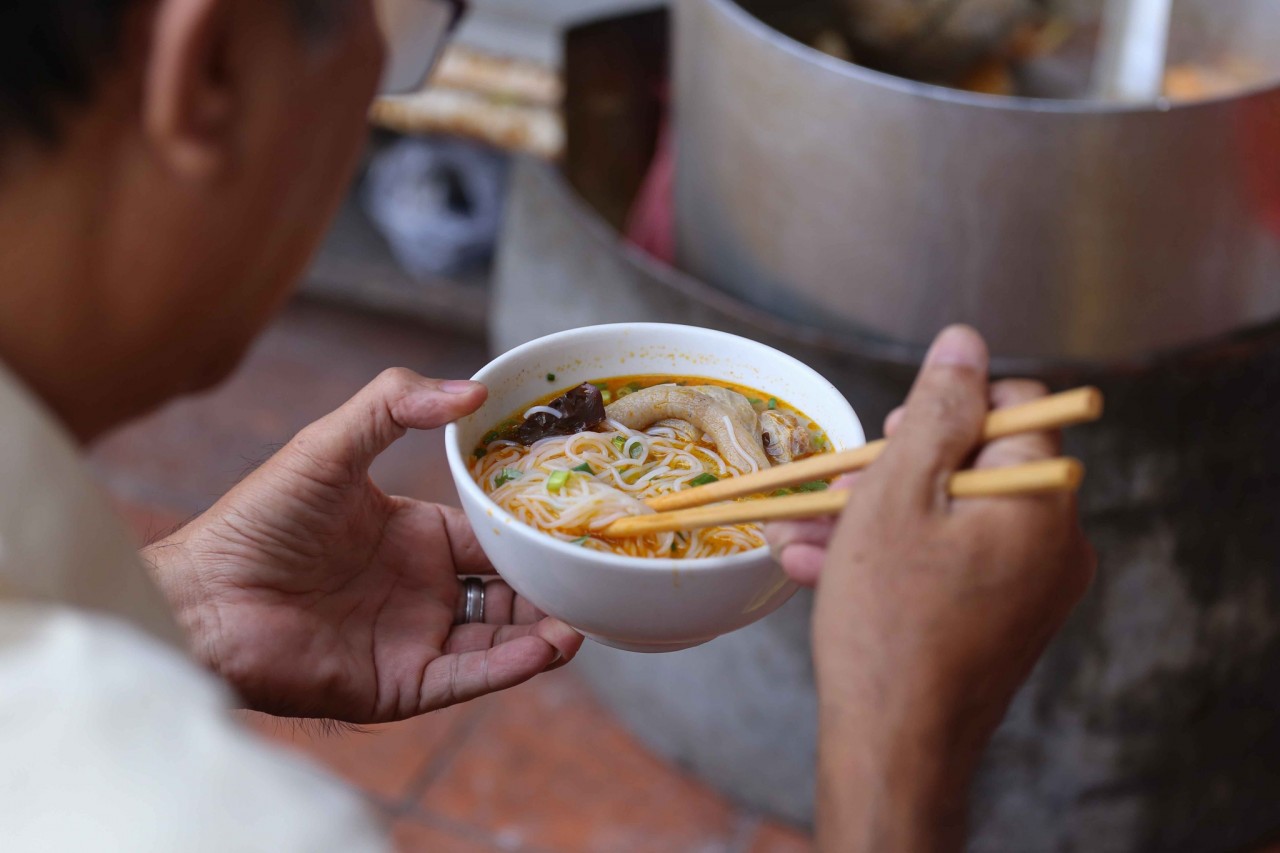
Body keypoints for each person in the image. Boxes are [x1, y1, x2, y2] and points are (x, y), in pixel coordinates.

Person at [0, 1, 1094, 851]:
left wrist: (187, 606)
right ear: (213, 68)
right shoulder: (187, 821)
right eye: (407, 46)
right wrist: (902, 742)